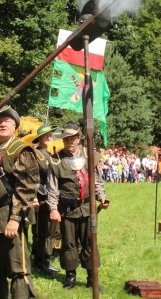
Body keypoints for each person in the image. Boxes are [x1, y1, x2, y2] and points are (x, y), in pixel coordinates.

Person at [0, 106, 39, 299]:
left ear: (15, 126)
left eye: (7, 121)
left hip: (10, 215)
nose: (2, 124)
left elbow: (27, 186)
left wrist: (15, 218)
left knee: (18, 269)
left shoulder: (21, 149)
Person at [47, 123, 109, 290]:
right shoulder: (55, 160)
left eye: (72, 138)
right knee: (69, 243)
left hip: (88, 209)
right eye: (66, 138)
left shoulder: (90, 157)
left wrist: (102, 197)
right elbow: (52, 188)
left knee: (90, 242)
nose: (69, 141)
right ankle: (70, 277)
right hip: (67, 209)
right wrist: (53, 208)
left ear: (79, 139)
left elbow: (97, 181)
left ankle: (91, 277)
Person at [30, 124, 61, 276]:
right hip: (40, 197)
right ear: (40, 139)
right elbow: (33, 177)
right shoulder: (35, 154)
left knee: (49, 231)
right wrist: (34, 198)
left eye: (50, 135)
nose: (50, 137)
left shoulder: (50, 153)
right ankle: (39, 262)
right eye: (46, 135)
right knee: (40, 232)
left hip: (50, 196)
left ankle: (46, 260)